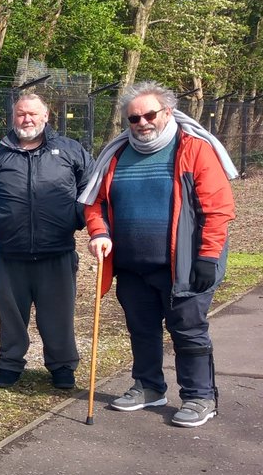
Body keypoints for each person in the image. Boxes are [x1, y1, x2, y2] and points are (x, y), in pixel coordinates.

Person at [82, 82, 237, 427]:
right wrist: (100, 232)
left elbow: (219, 208)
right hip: (132, 266)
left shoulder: (193, 149)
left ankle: (200, 397)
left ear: (167, 112)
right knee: (141, 328)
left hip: (183, 264)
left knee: (188, 330)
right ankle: (149, 387)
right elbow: (95, 204)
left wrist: (209, 256)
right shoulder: (117, 154)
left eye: (149, 114)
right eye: (134, 117)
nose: (141, 122)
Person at [0, 92, 94, 389]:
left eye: (33, 114)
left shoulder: (70, 151)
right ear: (13, 118)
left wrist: (78, 218)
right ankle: (10, 364)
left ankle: (62, 367)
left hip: (57, 252)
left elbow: (91, 188)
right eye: (21, 114)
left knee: (59, 317)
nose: (27, 119)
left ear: (46, 117)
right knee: (11, 317)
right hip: (11, 254)